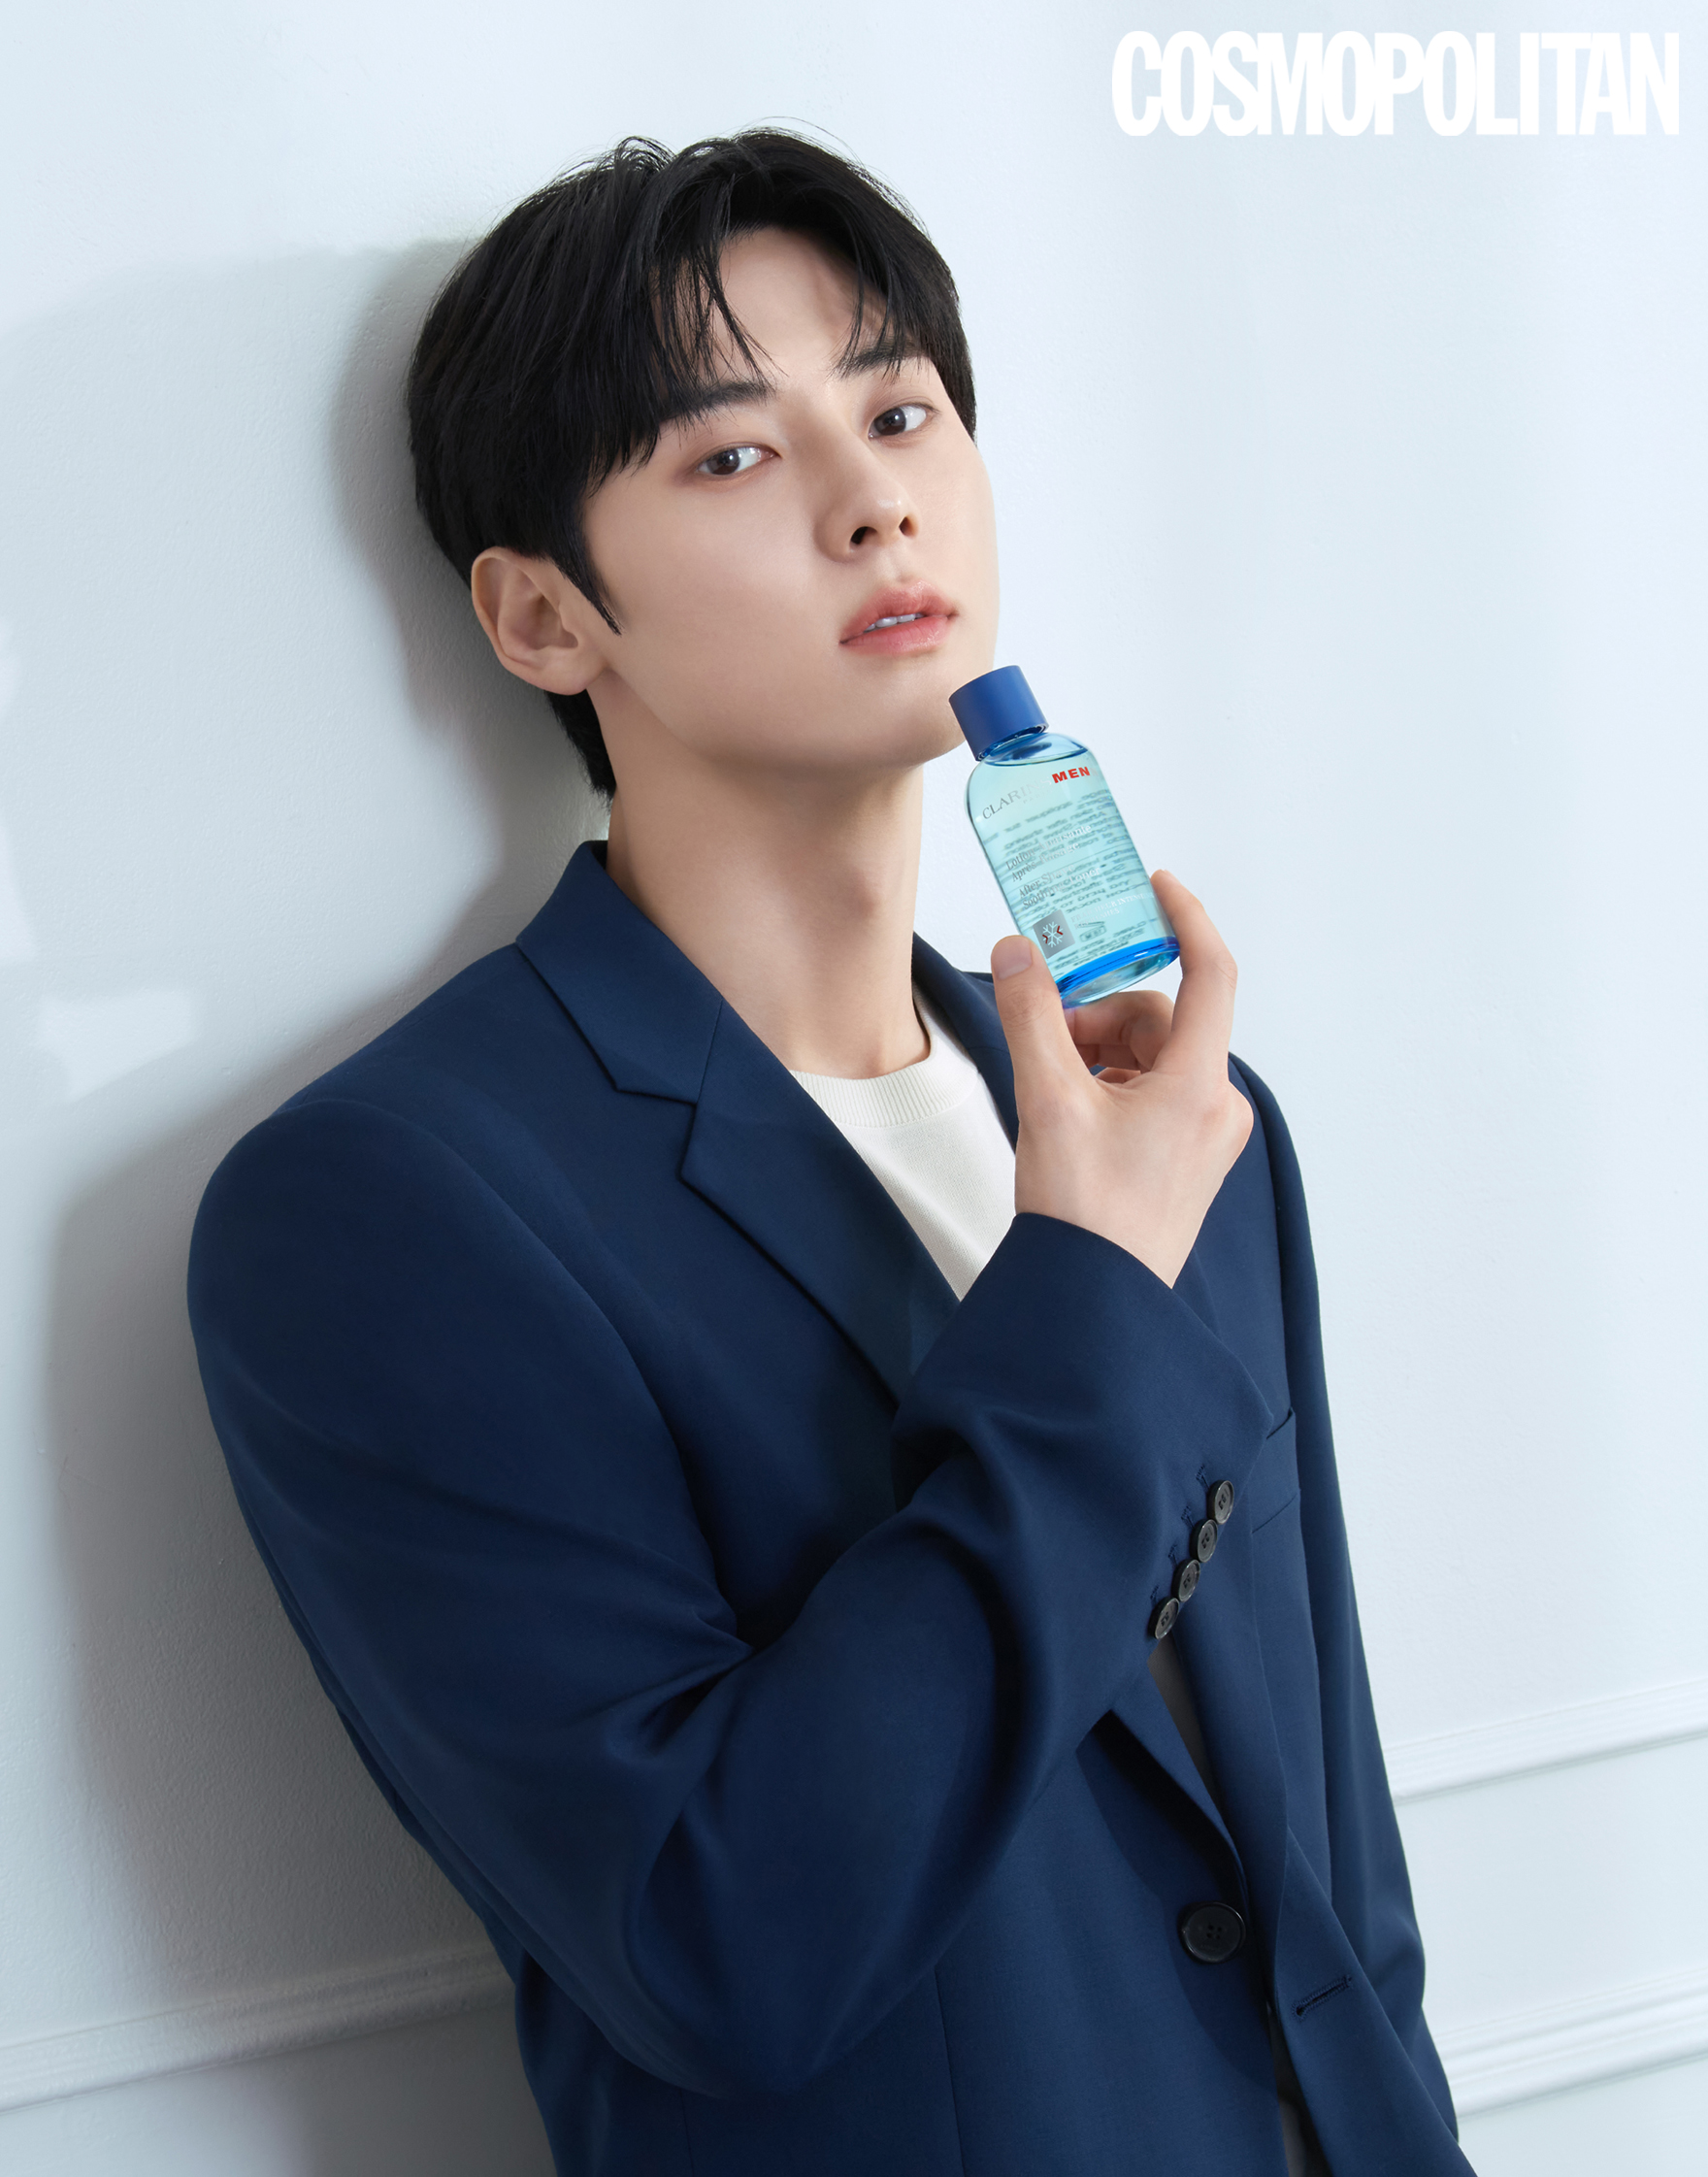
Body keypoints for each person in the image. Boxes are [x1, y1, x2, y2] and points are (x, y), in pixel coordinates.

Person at [187, 131, 1470, 2177]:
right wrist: (1088, 1298)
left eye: (899, 412)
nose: (872, 498)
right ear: (541, 617)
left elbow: (1333, 1887)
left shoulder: (1177, 1121)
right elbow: (717, 1943)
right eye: (729, 453)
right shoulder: (390, 1205)